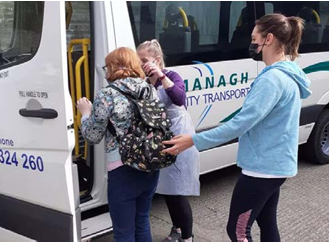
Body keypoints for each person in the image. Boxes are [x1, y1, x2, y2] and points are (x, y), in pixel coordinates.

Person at [163, 13, 311, 242]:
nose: (251, 43)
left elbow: (240, 124)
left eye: (254, 38)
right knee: (267, 222)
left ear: (268, 39)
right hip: (276, 165)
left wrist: (192, 140)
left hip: (261, 169)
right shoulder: (286, 73)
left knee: (238, 230)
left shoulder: (272, 80)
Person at [76, 47, 159, 242]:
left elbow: (92, 135)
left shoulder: (106, 95)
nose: (105, 71)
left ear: (113, 67)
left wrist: (85, 112)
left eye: (106, 67)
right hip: (151, 163)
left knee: (123, 231)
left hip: (123, 170)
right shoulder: (148, 88)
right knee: (142, 221)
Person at [137, 40, 200, 242]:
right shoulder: (145, 81)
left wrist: (161, 75)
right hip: (160, 138)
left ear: (156, 60)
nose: (140, 64)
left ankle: (187, 237)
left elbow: (180, 98)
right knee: (167, 189)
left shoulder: (171, 76)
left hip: (178, 136)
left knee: (177, 191)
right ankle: (177, 230)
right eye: (138, 60)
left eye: (144, 60)